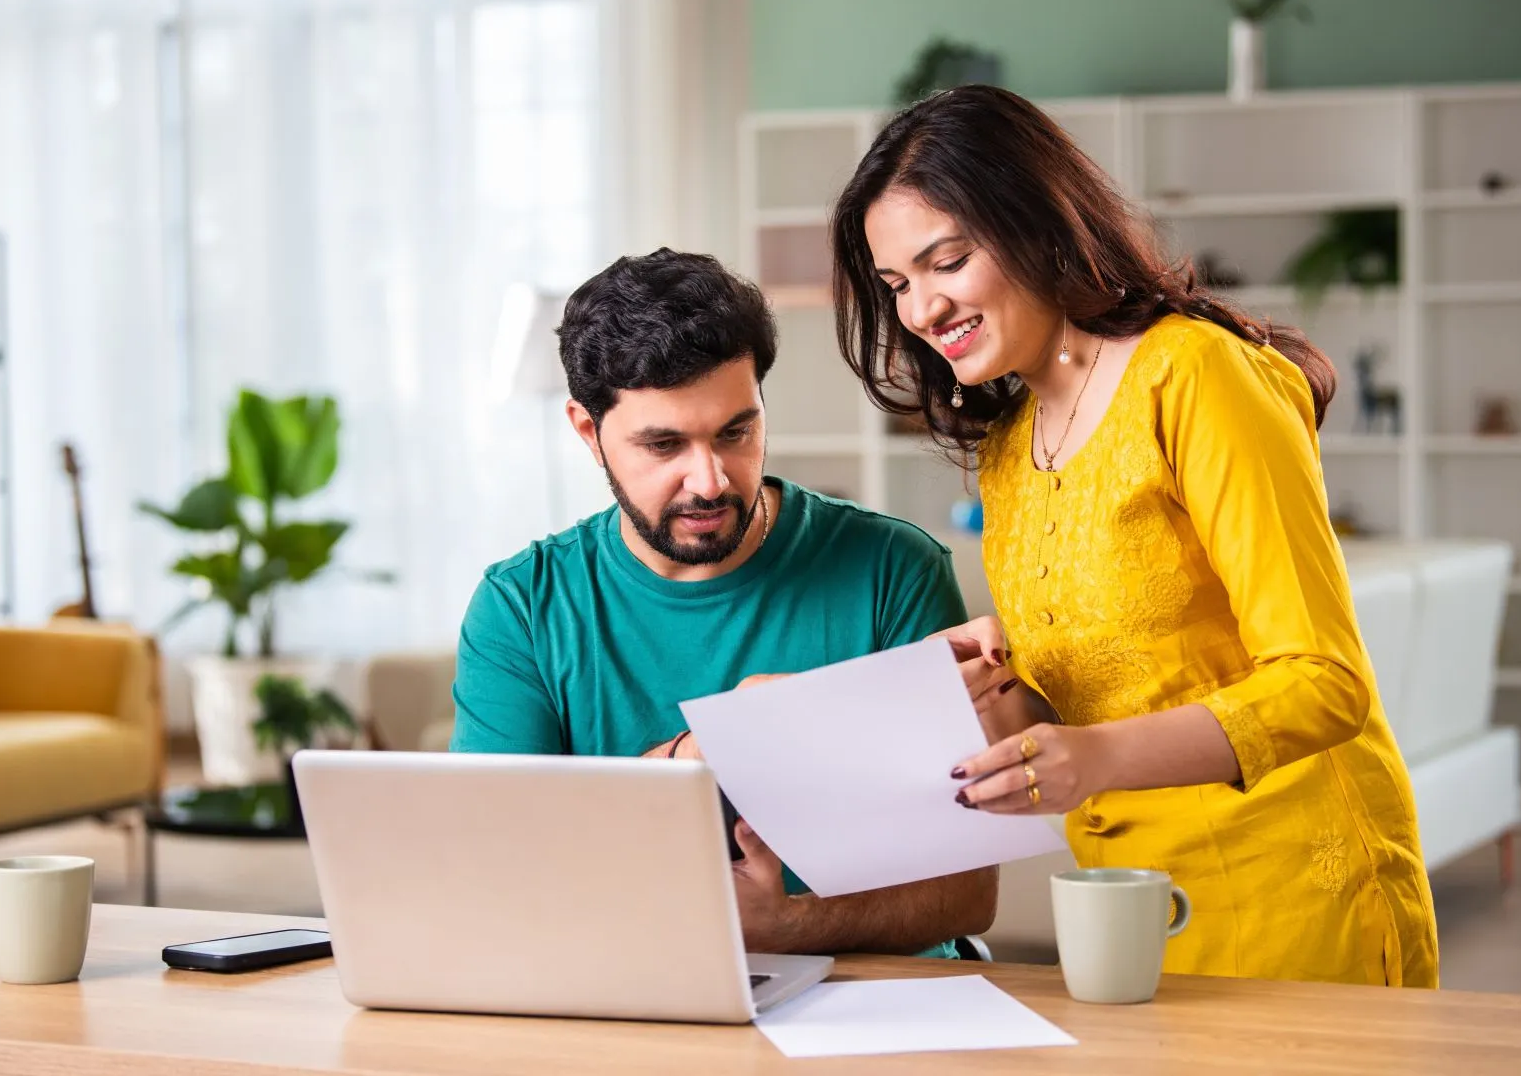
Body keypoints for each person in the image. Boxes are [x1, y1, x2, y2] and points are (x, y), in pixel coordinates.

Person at [828, 85, 1437, 987]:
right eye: (897, 285)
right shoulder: (1010, 445)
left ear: (1034, 223)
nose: (920, 310)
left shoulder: (1195, 376)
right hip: (1128, 906)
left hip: (1293, 896)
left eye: (945, 262)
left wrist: (1093, 757)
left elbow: (1326, 683)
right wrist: (978, 688)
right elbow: (1086, 701)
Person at [450, 248, 997, 958]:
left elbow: (965, 894)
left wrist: (788, 928)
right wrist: (708, 749)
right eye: (664, 444)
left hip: (869, 1006)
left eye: (736, 432)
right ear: (589, 433)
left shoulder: (891, 569)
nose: (709, 481)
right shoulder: (522, 606)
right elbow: (498, 876)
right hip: (631, 992)